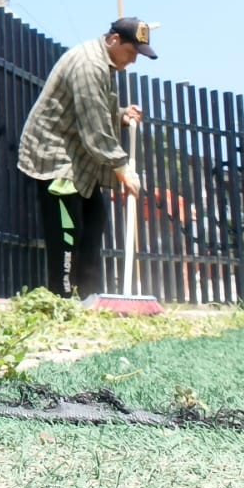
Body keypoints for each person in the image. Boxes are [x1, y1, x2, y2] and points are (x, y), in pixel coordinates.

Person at [17, 17, 155, 298]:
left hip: (78, 158)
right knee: (68, 231)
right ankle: (63, 299)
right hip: (55, 158)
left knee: (94, 221)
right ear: (114, 40)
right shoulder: (88, 65)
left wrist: (121, 115)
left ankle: (89, 298)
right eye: (131, 52)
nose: (133, 60)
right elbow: (95, 128)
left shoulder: (104, 63)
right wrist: (122, 168)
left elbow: (97, 109)